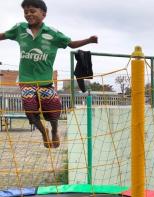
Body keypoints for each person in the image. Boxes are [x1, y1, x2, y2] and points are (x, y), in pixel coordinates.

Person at [0, 0, 98, 148]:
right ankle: (43, 132)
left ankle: (54, 130)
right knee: (30, 111)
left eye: (32, 11)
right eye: (26, 12)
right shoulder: (20, 29)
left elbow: (71, 44)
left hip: (46, 82)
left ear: (43, 14)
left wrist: (89, 41)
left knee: (53, 110)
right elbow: (3, 35)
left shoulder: (53, 34)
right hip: (26, 81)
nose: (28, 14)